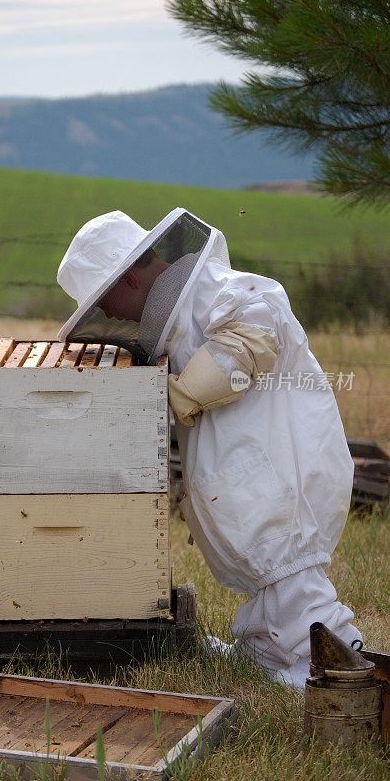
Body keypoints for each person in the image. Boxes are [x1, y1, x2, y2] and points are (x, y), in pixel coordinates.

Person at [56, 209, 362, 690]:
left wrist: (177, 396)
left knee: (296, 588)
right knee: (270, 591)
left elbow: (253, 338)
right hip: (254, 479)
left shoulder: (223, 290)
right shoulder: (183, 316)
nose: (109, 313)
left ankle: (341, 674)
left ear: (130, 276)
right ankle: (263, 658)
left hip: (282, 480)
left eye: (104, 297)